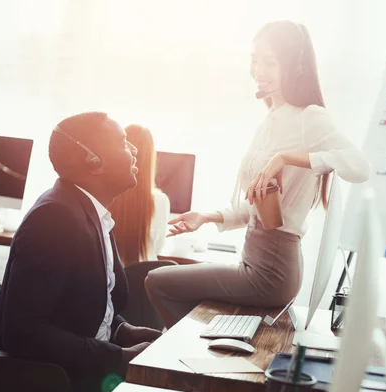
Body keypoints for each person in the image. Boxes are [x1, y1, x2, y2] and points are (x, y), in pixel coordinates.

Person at [145, 20, 371, 329]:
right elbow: (259, 206)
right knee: (167, 281)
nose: (257, 69)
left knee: (158, 281)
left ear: (295, 66)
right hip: (256, 261)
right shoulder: (271, 121)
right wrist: (207, 217)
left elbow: (360, 167)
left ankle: (173, 348)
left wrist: (287, 158)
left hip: (272, 271)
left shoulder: (310, 118)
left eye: (269, 61)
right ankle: (183, 344)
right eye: (254, 59)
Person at [0, 112, 162, 392]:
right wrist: (118, 357)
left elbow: (80, 307)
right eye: (123, 143)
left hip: (84, 370)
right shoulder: (55, 218)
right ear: (93, 161)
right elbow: (24, 332)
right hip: (60, 381)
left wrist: (124, 331)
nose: (134, 150)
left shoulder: (91, 212)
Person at [109, 124, 170, 266]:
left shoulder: (106, 196)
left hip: (112, 276)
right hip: (144, 278)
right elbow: (159, 247)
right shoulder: (160, 200)